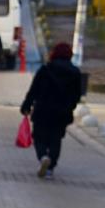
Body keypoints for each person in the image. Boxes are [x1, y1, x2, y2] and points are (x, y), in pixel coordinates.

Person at [20, 41, 82, 180]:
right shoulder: (75, 73)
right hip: (62, 112)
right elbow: (77, 95)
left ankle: (43, 157)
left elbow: (34, 89)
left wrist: (26, 105)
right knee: (55, 139)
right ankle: (50, 168)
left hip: (43, 109)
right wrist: (70, 107)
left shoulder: (45, 69)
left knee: (39, 137)